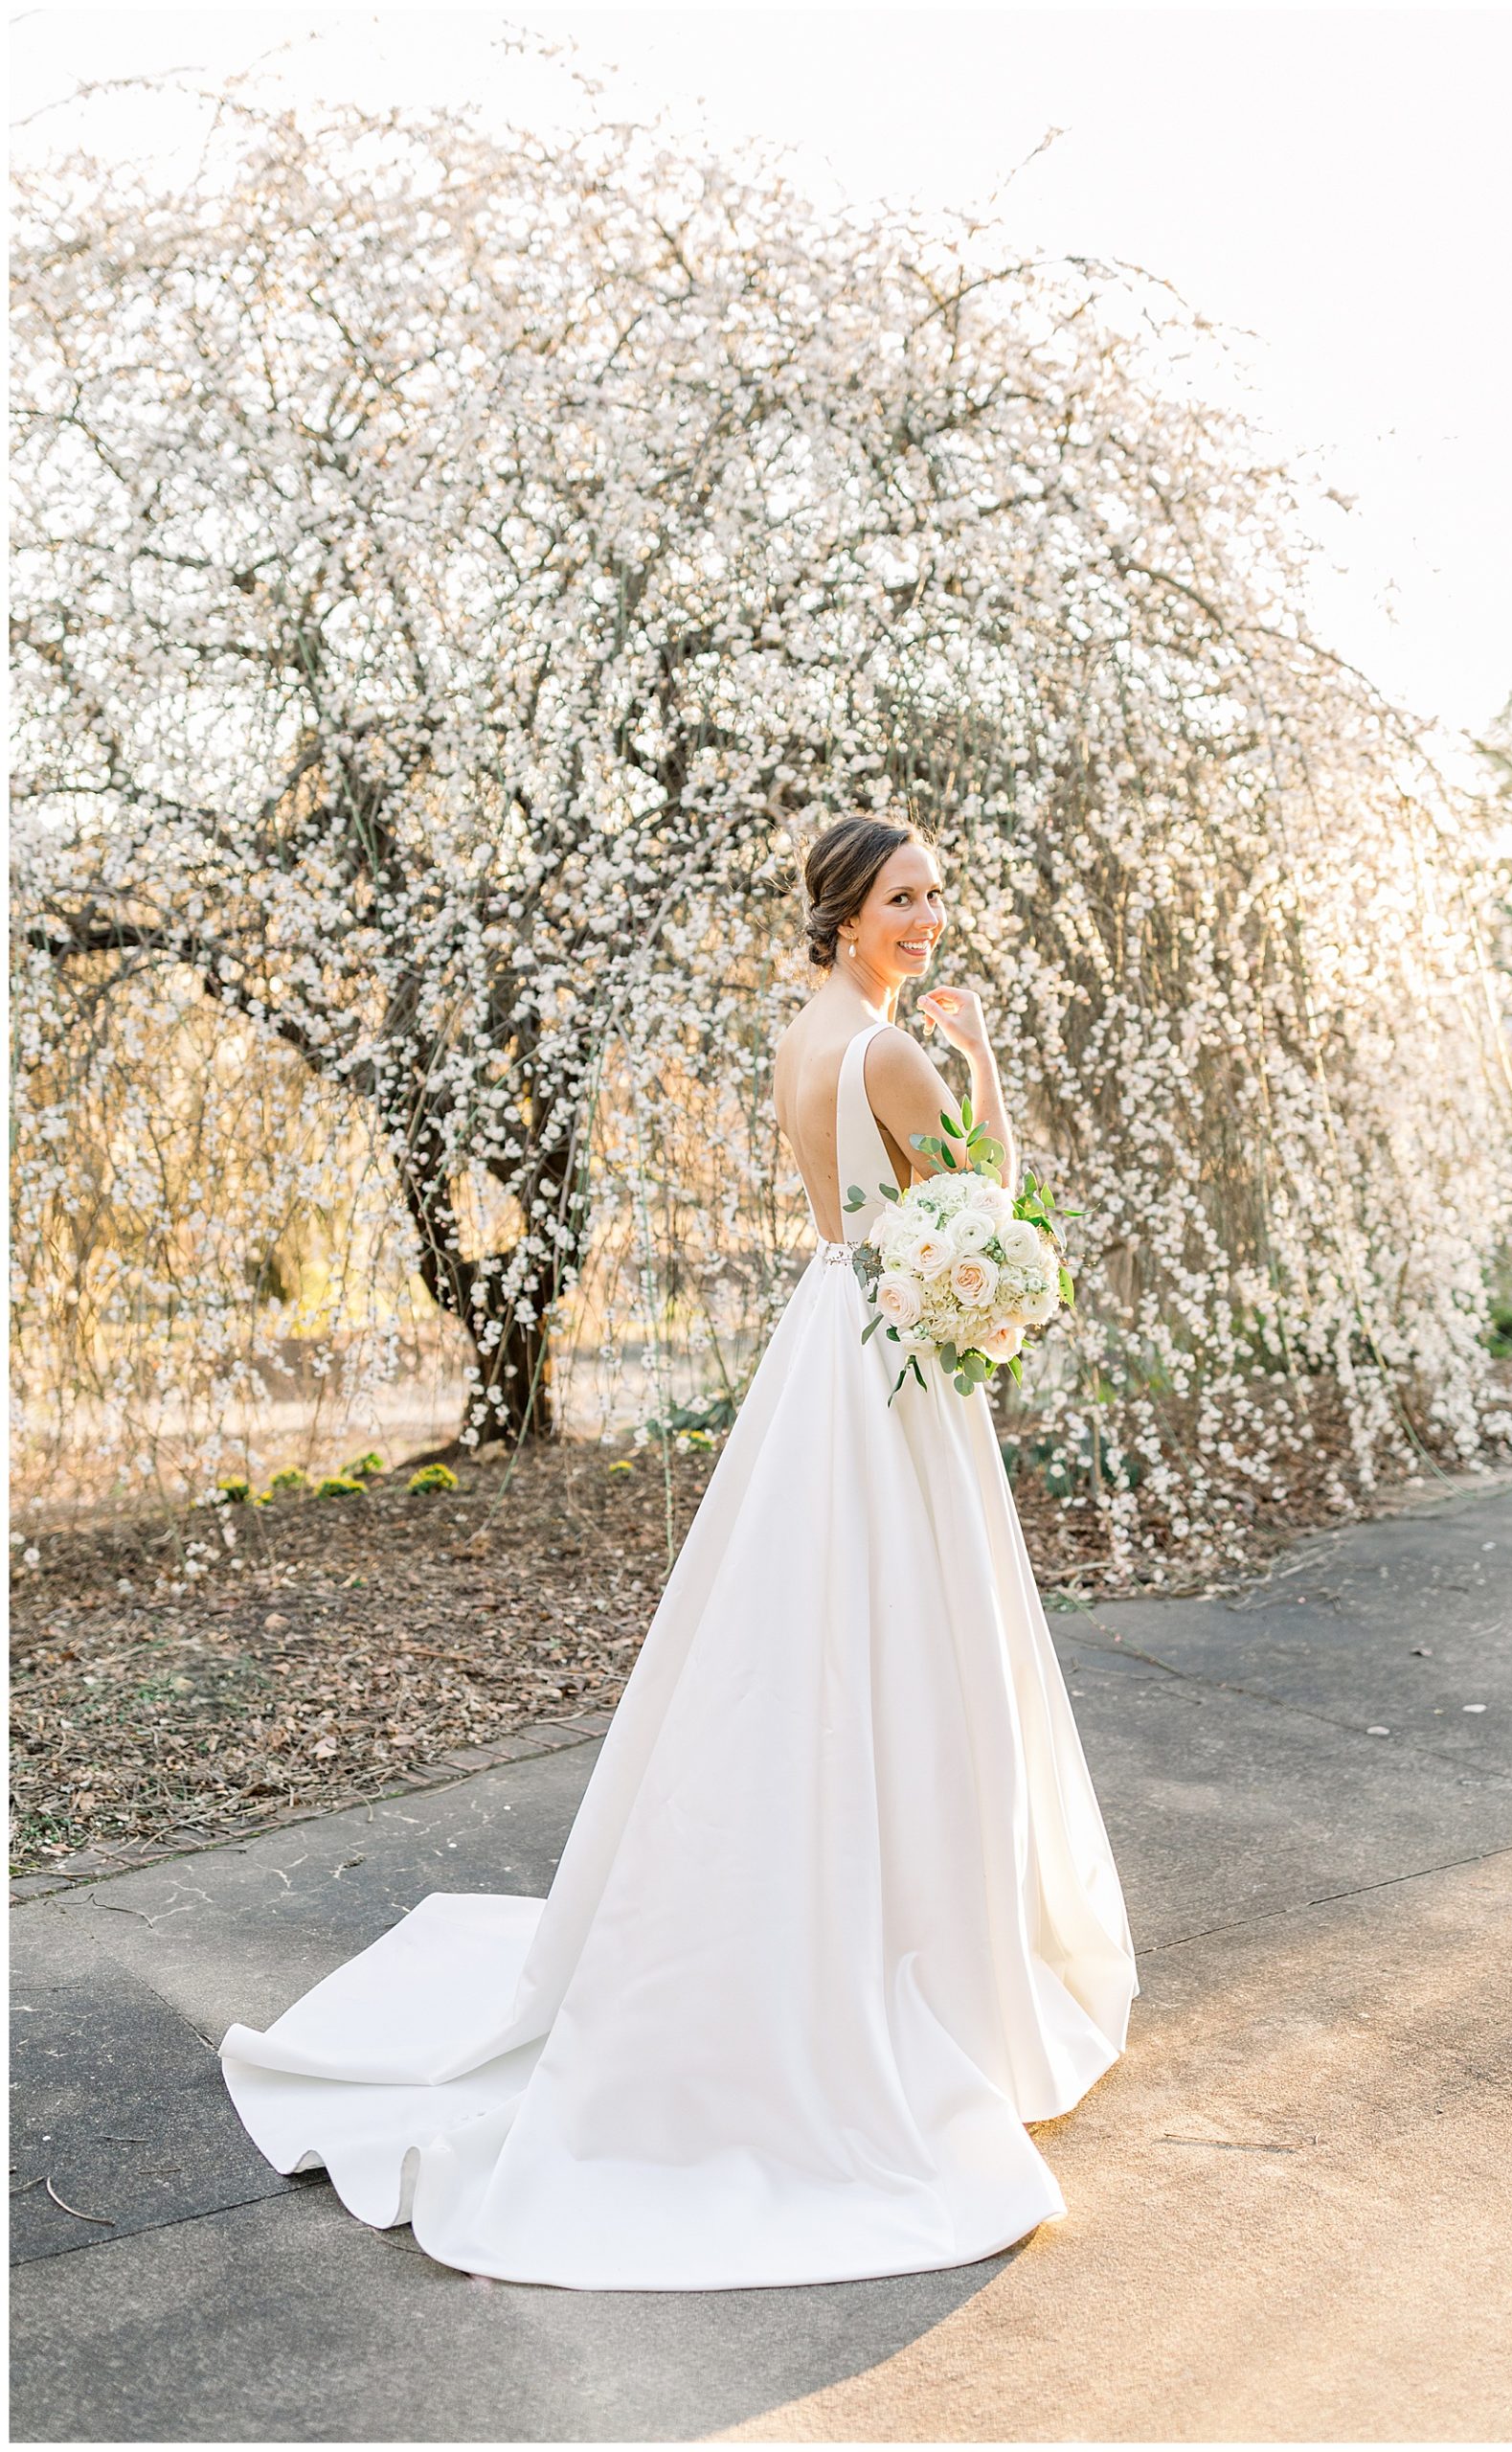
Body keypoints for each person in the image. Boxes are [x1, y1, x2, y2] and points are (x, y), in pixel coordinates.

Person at [218, 813, 1139, 2290]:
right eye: (902, 900)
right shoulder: (894, 1055)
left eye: (935, 896)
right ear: (844, 915)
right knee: (910, 1624)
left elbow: (859, 1218)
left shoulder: (803, 1037)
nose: (927, 919)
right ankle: (919, 1944)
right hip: (890, 1357)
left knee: (811, 1615)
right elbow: (986, 1204)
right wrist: (980, 1061)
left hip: (832, 1331)